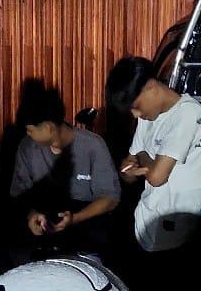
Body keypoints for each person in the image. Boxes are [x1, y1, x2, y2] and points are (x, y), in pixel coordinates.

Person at [105, 56, 201, 291]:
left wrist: (142, 159)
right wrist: (133, 167)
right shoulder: (147, 117)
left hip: (179, 235)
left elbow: (156, 176)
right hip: (148, 224)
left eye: (136, 107)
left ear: (151, 87)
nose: (135, 114)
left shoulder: (189, 114)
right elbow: (128, 167)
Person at [9, 80, 121, 261]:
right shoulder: (27, 147)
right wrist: (32, 215)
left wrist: (75, 218)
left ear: (48, 128)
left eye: (30, 131)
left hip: (85, 232)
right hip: (42, 232)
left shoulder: (93, 145)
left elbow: (110, 198)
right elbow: (19, 194)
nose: (28, 135)